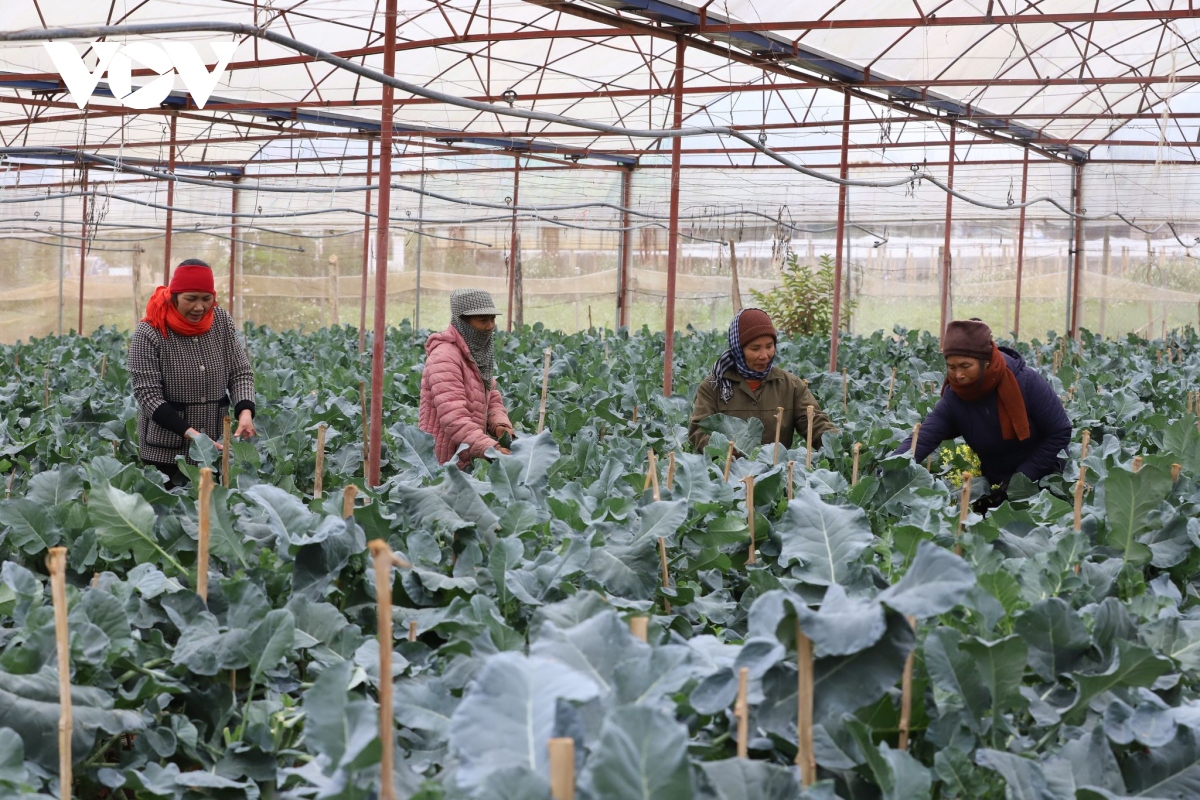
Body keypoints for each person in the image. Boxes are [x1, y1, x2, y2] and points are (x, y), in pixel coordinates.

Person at [894, 319, 1071, 500]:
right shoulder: (955, 396)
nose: (958, 375)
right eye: (951, 367)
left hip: (1047, 479)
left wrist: (1023, 477)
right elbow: (923, 439)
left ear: (985, 361)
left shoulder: (1025, 382)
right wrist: (887, 470)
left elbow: (1060, 431)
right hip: (998, 483)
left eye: (965, 366)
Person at [128, 259, 256, 487]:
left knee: (213, 516)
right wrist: (193, 435)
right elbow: (148, 397)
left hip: (215, 448)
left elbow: (240, 372)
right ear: (174, 296)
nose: (199, 307)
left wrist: (245, 411)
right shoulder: (149, 331)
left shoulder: (221, 322)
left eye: (206, 299)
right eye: (191, 299)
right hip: (166, 455)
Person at [689, 308, 836, 454]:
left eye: (769, 346)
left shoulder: (791, 385)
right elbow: (699, 430)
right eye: (755, 348)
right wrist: (724, 450)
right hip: (729, 472)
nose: (764, 355)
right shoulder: (714, 387)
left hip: (777, 472)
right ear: (738, 349)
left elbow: (816, 424)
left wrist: (838, 442)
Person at [419, 289, 515, 469]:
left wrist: (500, 425)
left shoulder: (476, 351)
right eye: (483, 320)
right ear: (462, 322)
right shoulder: (444, 358)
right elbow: (453, 418)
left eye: (492, 319)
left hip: (469, 454)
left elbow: (491, 394)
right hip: (443, 463)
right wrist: (490, 447)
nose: (490, 326)